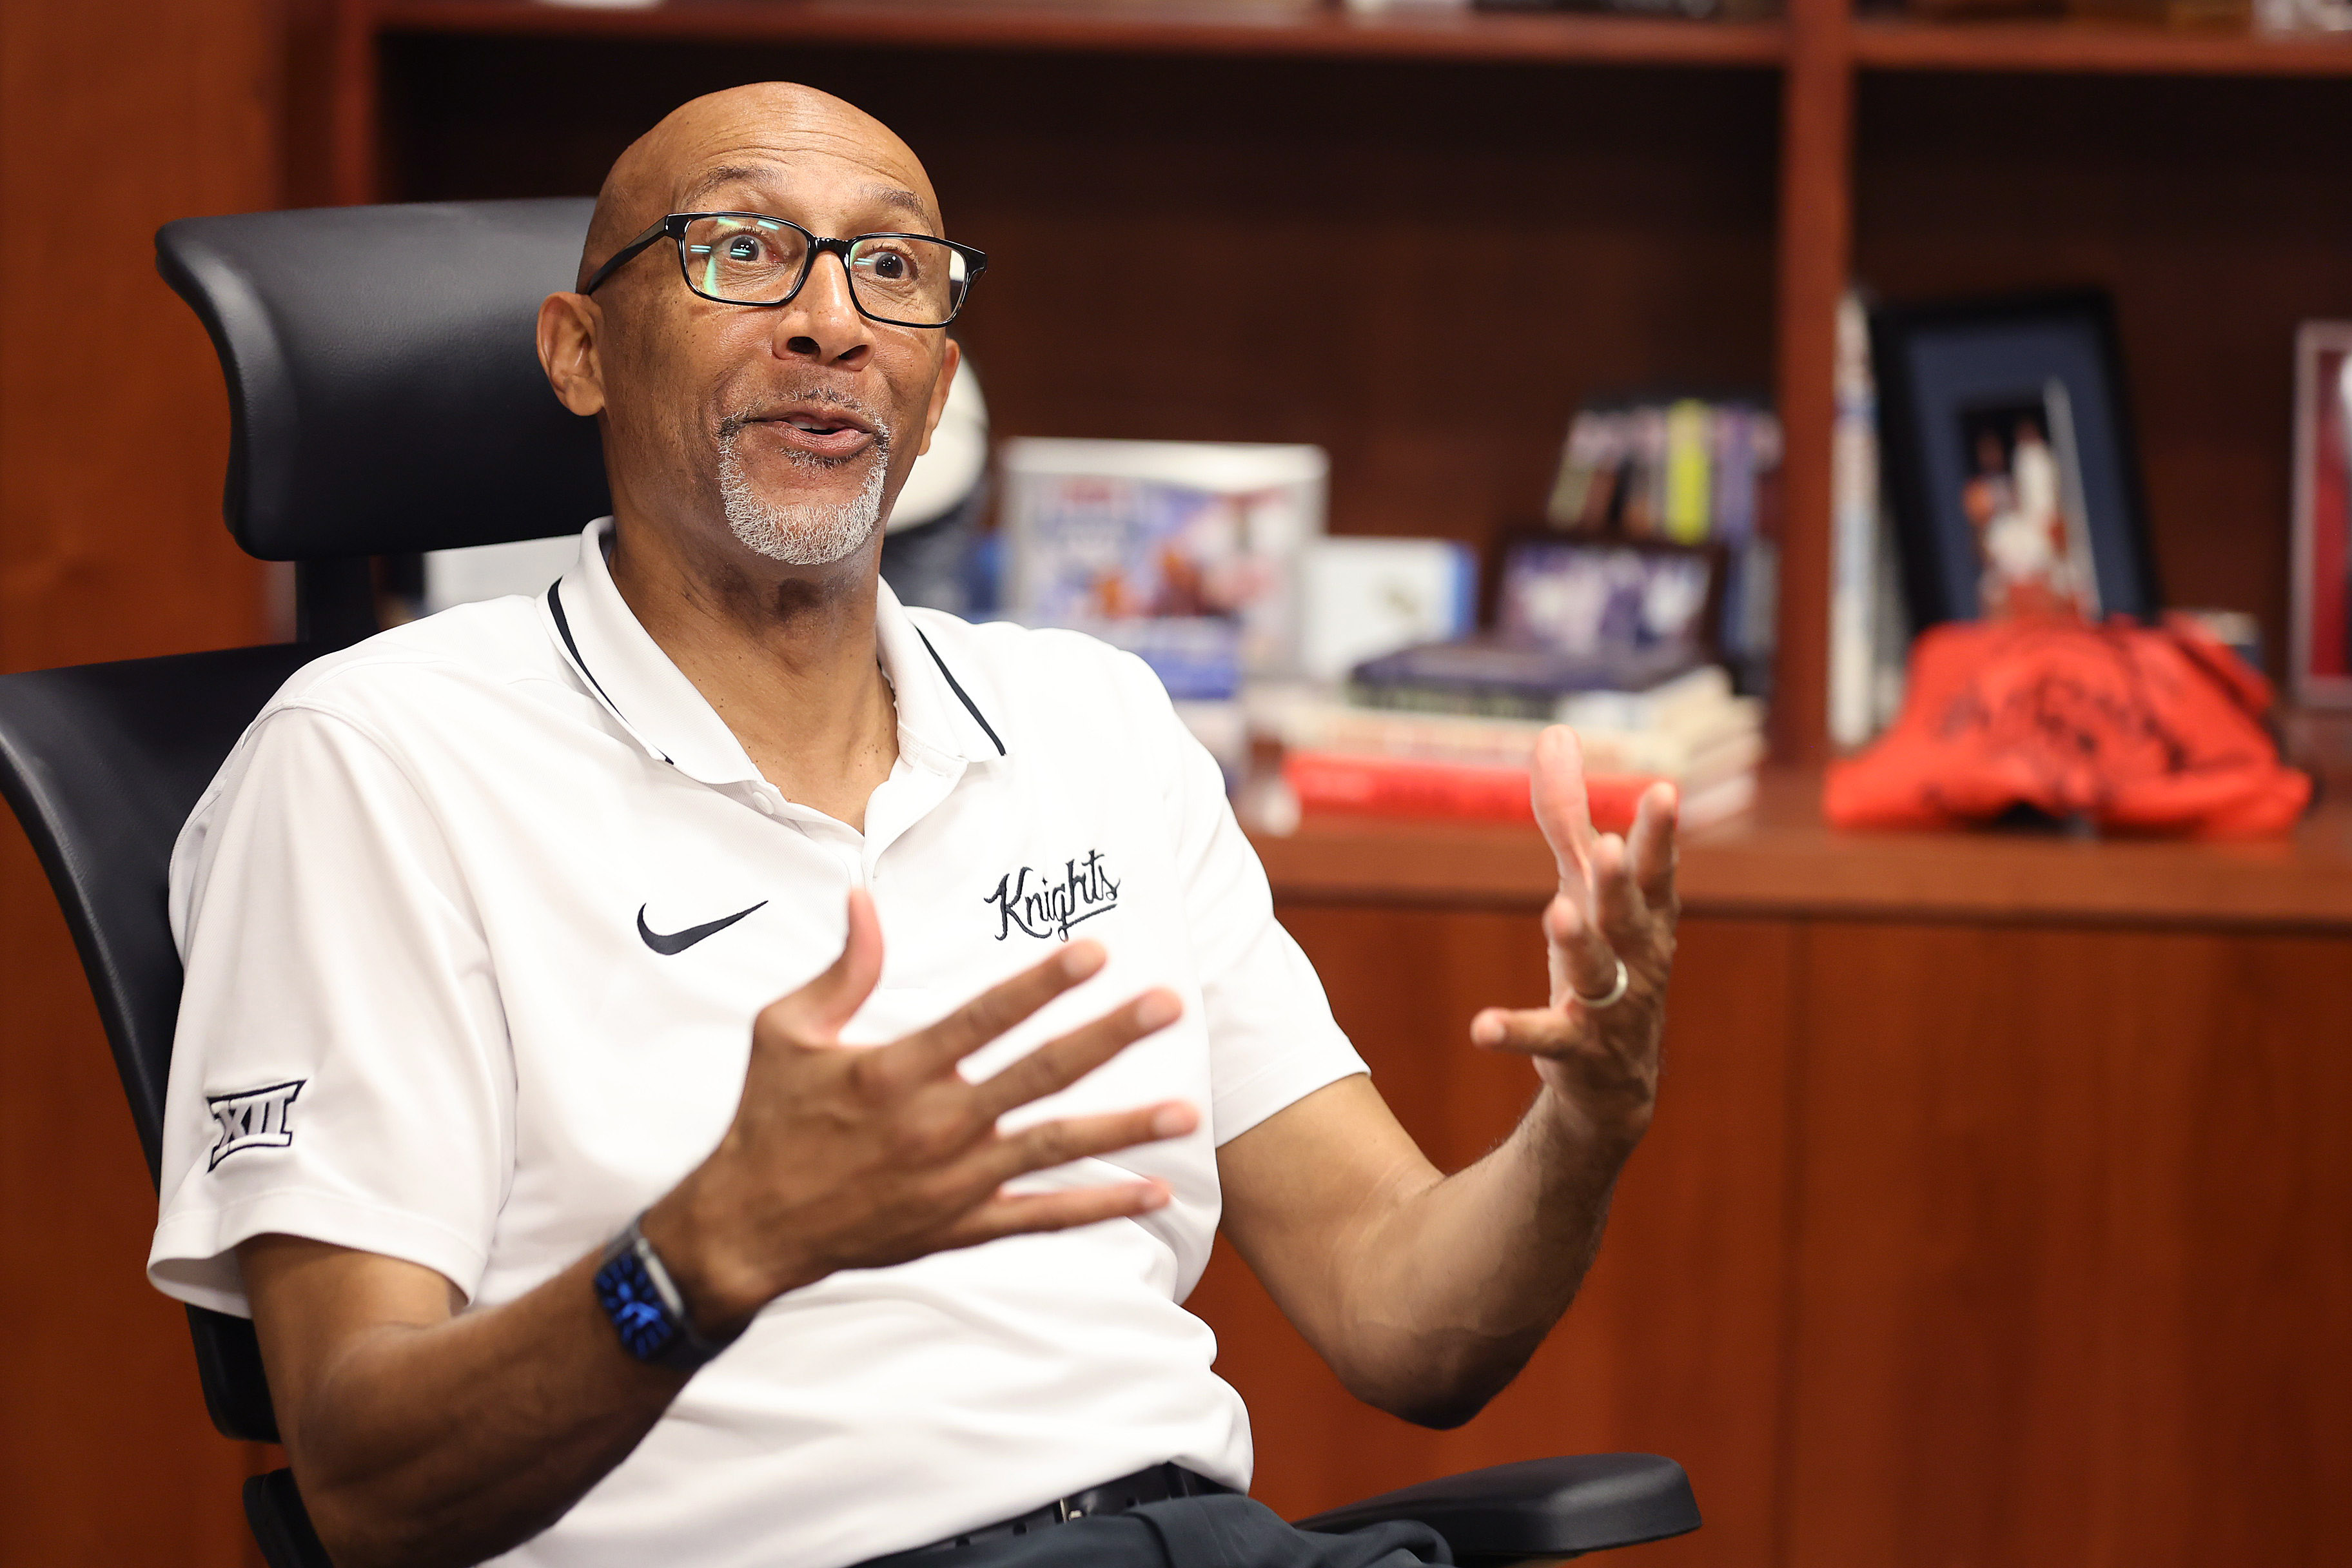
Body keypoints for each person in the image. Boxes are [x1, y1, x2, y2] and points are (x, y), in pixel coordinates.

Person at [147, 84, 1682, 1568]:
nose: (830, 322)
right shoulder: (376, 758)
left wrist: (1581, 1137)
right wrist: (696, 1262)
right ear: (581, 352)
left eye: (892, 269)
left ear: (936, 388)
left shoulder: (1097, 721)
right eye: (741, 251)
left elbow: (1402, 1316)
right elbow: (357, 1483)